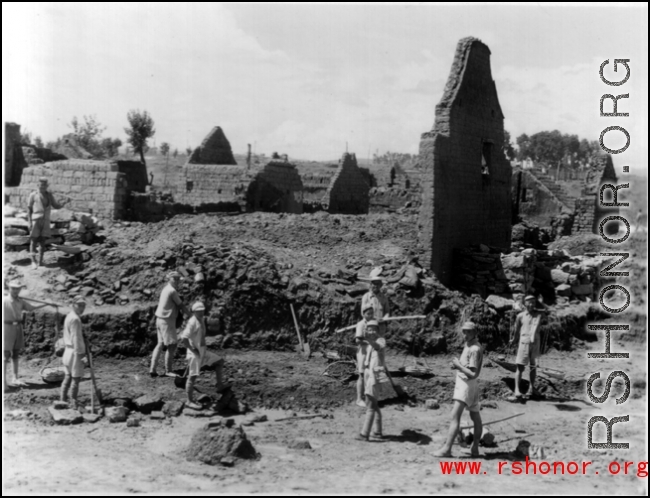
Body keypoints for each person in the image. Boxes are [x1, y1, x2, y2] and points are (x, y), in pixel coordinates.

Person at [433, 322, 483, 457]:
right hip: (471, 386)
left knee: (454, 416)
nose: (465, 334)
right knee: (475, 417)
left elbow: (473, 373)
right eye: (464, 331)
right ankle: (475, 449)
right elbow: (469, 368)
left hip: (466, 386)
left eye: (468, 332)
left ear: (474, 333)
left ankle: (447, 449)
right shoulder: (471, 345)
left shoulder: (473, 349)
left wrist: (458, 366)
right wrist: (458, 365)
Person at [178, 302, 229, 410]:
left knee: (219, 361)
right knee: (192, 377)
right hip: (195, 353)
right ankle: (189, 401)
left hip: (203, 351)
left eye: (202, 310)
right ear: (194, 311)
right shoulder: (192, 322)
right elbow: (184, 338)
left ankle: (219, 385)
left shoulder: (201, 319)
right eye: (199, 311)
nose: (201, 312)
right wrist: (192, 349)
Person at [3, 280, 49, 390]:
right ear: (9, 288)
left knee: (16, 353)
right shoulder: (4, 300)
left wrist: (45, 303)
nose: (15, 291)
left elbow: (31, 307)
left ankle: (15, 378)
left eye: (17, 289)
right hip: (6, 328)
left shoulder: (21, 301)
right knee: (5, 356)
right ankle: (3, 382)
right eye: (13, 288)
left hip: (18, 328)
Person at [150, 271, 190, 378]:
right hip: (167, 321)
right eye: (174, 279)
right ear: (169, 279)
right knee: (172, 345)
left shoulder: (166, 289)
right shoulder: (172, 291)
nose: (176, 281)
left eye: (178, 279)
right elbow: (181, 305)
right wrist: (190, 315)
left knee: (160, 344)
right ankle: (168, 370)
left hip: (160, 319)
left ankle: (152, 369)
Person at [27, 177, 70, 269]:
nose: (43, 187)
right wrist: (29, 222)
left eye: (44, 185)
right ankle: (33, 261)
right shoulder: (33, 195)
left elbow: (56, 206)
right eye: (41, 185)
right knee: (33, 240)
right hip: (36, 220)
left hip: (46, 220)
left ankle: (40, 261)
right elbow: (29, 209)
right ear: (38, 185)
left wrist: (64, 202)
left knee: (43, 241)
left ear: (47, 186)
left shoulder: (49, 195)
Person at [509, 295, 546, 401]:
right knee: (520, 367)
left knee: (533, 367)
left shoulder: (538, 315)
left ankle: (531, 388)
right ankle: (517, 390)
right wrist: (513, 340)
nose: (532, 304)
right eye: (529, 302)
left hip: (535, 344)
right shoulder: (520, 316)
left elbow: (546, 312)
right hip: (523, 343)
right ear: (525, 304)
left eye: (534, 302)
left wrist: (541, 303)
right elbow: (516, 331)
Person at [355, 320, 387, 441]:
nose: (371, 331)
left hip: (375, 376)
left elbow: (377, 346)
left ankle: (365, 433)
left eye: (374, 329)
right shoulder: (369, 344)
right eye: (369, 329)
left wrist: (368, 340)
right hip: (369, 375)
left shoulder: (380, 341)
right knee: (374, 403)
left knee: (370, 404)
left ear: (378, 331)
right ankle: (377, 431)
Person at [60, 298, 87, 408]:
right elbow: (75, 338)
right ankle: (73, 403)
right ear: (74, 305)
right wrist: (81, 354)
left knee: (67, 376)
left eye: (83, 305)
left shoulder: (69, 316)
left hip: (68, 350)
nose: (82, 308)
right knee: (75, 378)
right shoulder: (75, 319)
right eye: (79, 305)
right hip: (75, 352)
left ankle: (62, 400)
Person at [354, 304, 375, 407]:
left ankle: (368, 398)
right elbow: (358, 340)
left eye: (372, 313)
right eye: (368, 313)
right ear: (363, 314)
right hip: (363, 352)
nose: (370, 315)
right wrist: (369, 342)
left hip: (371, 352)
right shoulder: (361, 324)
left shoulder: (373, 323)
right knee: (361, 375)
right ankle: (359, 399)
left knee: (369, 375)